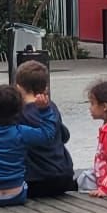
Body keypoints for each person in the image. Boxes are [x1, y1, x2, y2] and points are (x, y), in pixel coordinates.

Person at [14, 60, 76, 198]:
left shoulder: (18, 113)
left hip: (35, 181)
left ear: (18, 87)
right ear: (45, 87)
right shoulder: (51, 107)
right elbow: (64, 136)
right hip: (64, 176)